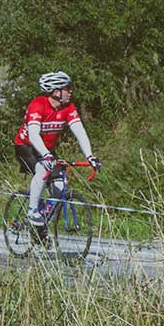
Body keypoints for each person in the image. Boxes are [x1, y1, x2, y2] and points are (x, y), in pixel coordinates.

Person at [12, 71, 101, 225]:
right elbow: (33, 135)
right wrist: (46, 155)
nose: (71, 91)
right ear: (56, 91)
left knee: (60, 185)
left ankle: (43, 222)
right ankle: (32, 212)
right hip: (26, 146)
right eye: (67, 88)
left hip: (47, 149)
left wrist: (90, 156)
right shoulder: (38, 105)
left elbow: (80, 132)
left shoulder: (69, 107)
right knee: (42, 170)